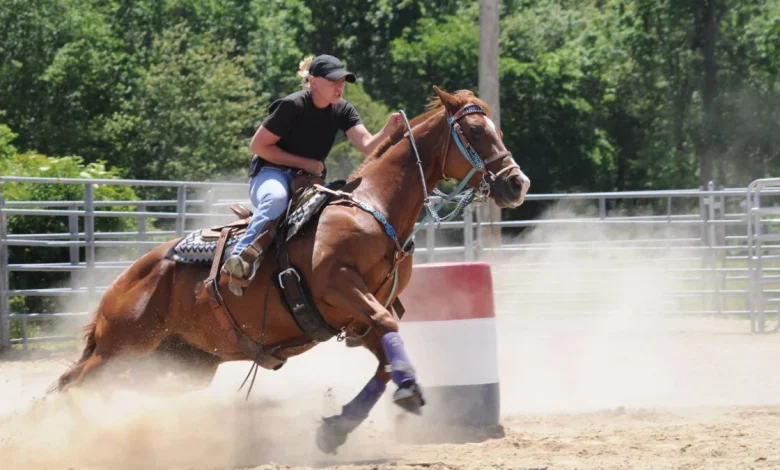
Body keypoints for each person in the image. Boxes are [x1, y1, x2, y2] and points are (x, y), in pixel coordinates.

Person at [221, 54, 404, 295]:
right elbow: (258, 146)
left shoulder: (343, 109)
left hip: (307, 181)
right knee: (276, 199)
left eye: (343, 81)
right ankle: (239, 259)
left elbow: (369, 146)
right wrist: (306, 163)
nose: (340, 86)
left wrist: (388, 131)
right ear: (313, 81)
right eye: (333, 81)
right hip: (269, 174)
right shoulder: (292, 106)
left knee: (333, 213)